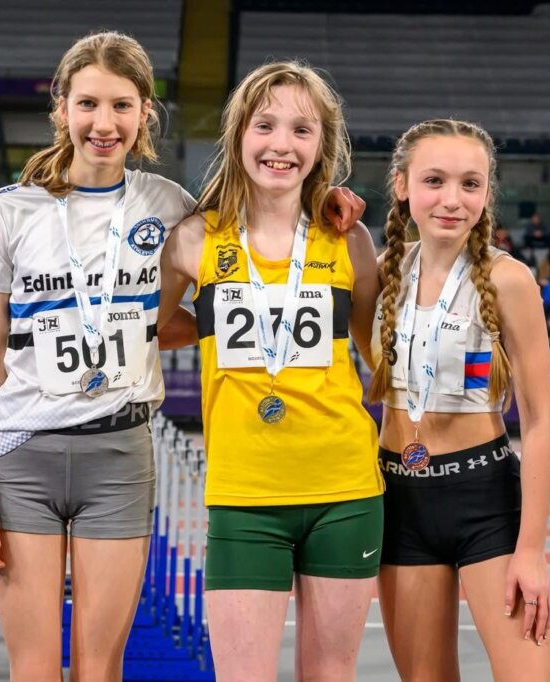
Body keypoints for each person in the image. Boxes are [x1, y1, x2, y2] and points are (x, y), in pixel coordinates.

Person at [0, 36, 365, 681]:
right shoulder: (9, 211)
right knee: (33, 667)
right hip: (22, 454)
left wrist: (329, 198)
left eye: (121, 105)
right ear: (61, 107)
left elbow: (240, 271)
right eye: (88, 103)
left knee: (101, 666)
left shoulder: (172, 207)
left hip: (119, 454)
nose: (103, 122)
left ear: (144, 111)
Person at [159, 61, 383, 681]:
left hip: (345, 489)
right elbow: (145, 324)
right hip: (244, 495)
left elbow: (378, 356)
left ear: (322, 148)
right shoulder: (192, 239)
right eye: (265, 125)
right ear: (238, 136)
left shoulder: (351, 239)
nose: (281, 144)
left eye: (301, 131)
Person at [368, 119, 550, 680]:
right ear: (402, 185)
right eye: (435, 181)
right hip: (400, 500)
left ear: (487, 194)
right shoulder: (381, 274)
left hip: (486, 502)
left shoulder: (510, 280)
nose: (452, 200)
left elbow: (541, 424)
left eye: (470, 184)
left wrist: (533, 550)